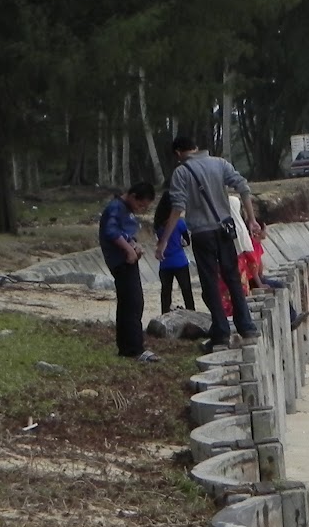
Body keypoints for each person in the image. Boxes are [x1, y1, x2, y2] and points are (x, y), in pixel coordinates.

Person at [156, 135, 260, 349]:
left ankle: (221, 331)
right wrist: (252, 219)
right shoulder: (219, 163)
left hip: (202, 234)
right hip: (224, 230)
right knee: (232, 278)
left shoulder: (181, 172)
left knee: (210, 282)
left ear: (178, 153)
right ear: (196, 146)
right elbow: (243, 187)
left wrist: (164, 241)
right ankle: (247, 327)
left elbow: (177, 208)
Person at [99, 181, 158, 362]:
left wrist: (134, 245)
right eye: (140, 205)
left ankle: (126, 347)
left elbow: (125, 233)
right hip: (121, 262)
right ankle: (133, 348)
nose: (141, 209)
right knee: (133, 303)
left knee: (129, 303)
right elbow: (111, 232)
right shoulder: (116, 208)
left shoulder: (126, 211)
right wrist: (128, 250)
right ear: (132, 196)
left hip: (127, 260)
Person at [152, 191, 196, 317]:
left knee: (166, 292)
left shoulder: (158, 224)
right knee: (186, 290)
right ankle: (192, 314)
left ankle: (164, 315)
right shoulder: (180, 223)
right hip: (179, 261)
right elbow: (187, 241)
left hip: (164, 263)